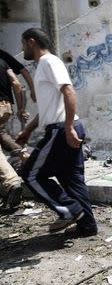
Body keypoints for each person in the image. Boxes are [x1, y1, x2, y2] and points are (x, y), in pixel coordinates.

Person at [16, 28, 97, 237]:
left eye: (23, 44)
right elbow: (47, 109)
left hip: (61, 129)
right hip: (64, 126)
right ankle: (87, 225)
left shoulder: (48, 62)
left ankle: (69, 210)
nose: (23, 49)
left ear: (31, 42)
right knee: (71, 178)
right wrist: (28, 129)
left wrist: (68, 127)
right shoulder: (44, 65)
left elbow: (69, 91)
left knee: (30, 174)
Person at [0, 58, 26, 208]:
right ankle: (26, 158)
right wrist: (21, 108)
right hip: (5, 107)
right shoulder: (3, 62)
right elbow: (16, 83)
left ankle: (11, 182)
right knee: (2, 133)